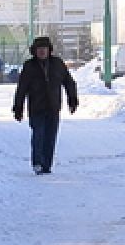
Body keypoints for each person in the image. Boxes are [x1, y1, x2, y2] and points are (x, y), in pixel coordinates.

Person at [12, 36, 78, 175]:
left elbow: (68, 82)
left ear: (49, 50)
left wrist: (72, 99)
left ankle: (46, 165)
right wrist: (18, 107)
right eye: (39, 49)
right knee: (38, 135)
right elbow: (22, 88)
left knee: (50, 137)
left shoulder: (57, 64)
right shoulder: (29, 66)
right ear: (34, 51)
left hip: (53, 107)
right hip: (36, 108)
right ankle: (37, 163)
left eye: (44, 49)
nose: (42, 52)